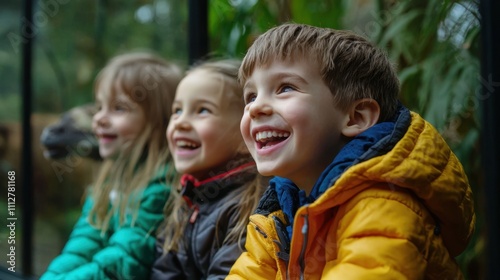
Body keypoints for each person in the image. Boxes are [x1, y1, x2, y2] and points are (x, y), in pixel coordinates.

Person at [227, 23, 475, 279]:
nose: (255, 108)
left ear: (355, 117)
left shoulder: (384, 204)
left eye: (285, 88)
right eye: (251, 96)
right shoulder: (277, 218)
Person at [40, 51, 183, 280]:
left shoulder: (162, 184)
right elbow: (83, 244)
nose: (98, 119)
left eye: (119, 108)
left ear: (158, 121)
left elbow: (123, 262)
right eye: (99, 107)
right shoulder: (109, 179)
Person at [150, 59, 266, 279]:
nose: (180, 122)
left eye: (202, 110)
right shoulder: (184, 200)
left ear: (245, 134)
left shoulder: (250, 205)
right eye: (177, 110)